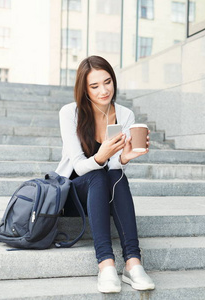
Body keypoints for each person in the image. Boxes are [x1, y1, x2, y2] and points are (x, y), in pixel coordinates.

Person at [55, 55, 155, 293]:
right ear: (84, 89)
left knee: (115, 176)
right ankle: (106, 264)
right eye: (94, 85)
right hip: (73, 196)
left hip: (105, 192)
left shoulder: (124, 114)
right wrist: (102, 155)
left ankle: (132, 263)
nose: (103, 90)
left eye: (107, 82)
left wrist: (123, 158)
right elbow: (78, 167)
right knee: (97, 174)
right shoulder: (70, 113)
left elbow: (114, 171)